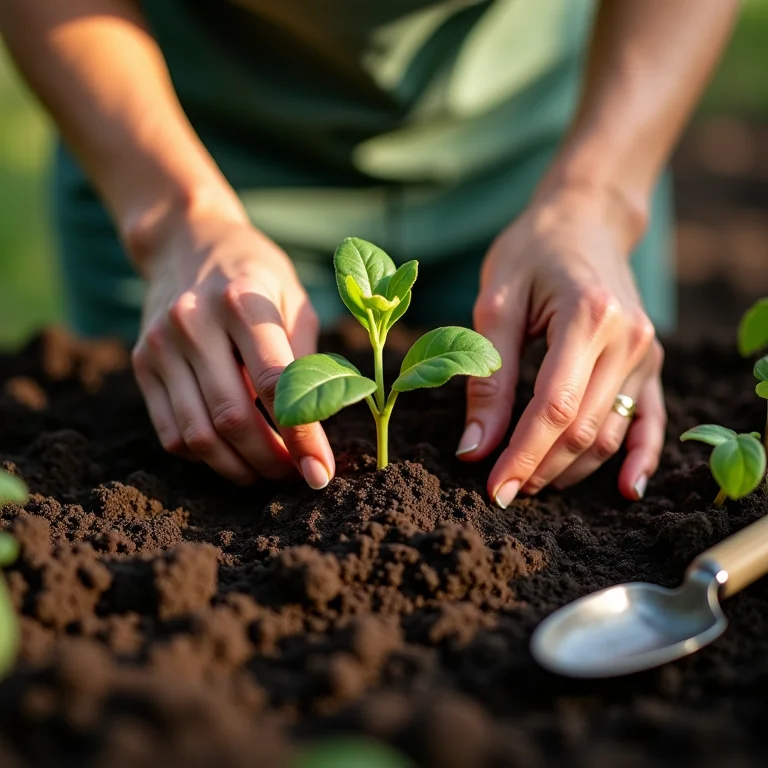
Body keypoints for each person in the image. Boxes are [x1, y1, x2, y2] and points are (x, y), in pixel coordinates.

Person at [0, 0, 738, 507]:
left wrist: (602, 198)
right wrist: (169, 217)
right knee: (181, 456)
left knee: (583, 421)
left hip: (555, 136)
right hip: (175, 135)